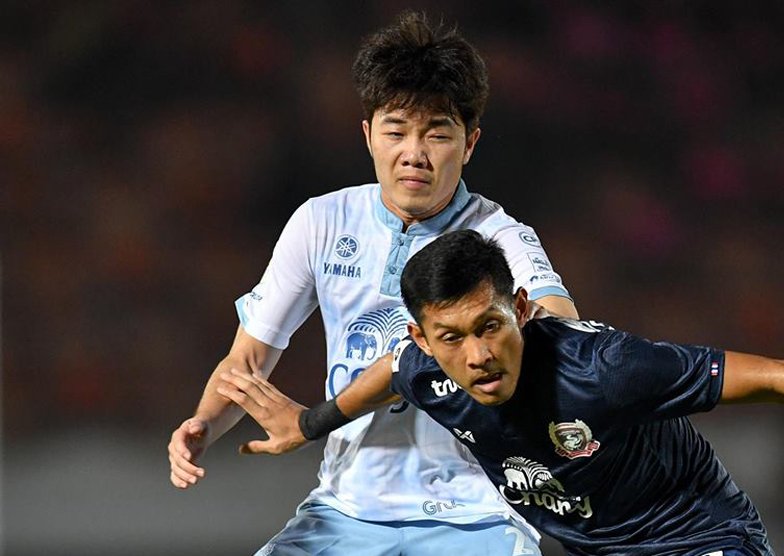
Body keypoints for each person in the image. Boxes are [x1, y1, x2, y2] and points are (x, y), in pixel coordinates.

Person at [216, 229, 784, 556]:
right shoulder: (425, 368)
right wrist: (310, 422)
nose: (478, 355)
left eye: (491, 326)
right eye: (451, 337)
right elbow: (391, 371)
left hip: (698, 538)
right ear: (423, 338)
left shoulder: (604, 369)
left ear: (522, 309)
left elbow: (772, 376)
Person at [167, 12, 578, 556]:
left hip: (475, 513)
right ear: (368, 135)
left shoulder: (498, 236)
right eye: (396, 131)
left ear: (470, 143)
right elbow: (248, 360)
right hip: (346, 511)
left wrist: (531, 325)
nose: (414, 154)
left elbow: (562, 329)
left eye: (438, 134)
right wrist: (203, 423)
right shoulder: (321, 222)